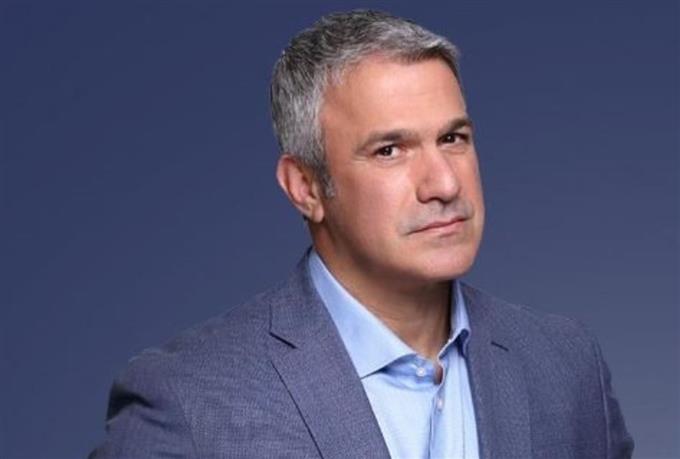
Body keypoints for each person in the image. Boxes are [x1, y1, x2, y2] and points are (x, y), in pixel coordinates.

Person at [90, 10, 633, 458]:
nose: (444, 183)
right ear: (305, 187)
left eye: (453, 138)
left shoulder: (565, 365)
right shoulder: (189, 401)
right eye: (389, 150)